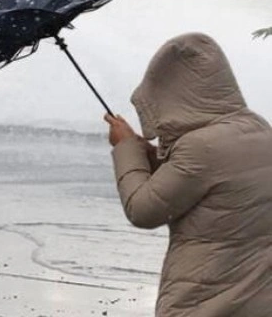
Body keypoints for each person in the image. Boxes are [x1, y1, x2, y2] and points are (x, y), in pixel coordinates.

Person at [104, 32, 272, 316]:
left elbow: (143, 210)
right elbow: (207, 188)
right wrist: (144, 150)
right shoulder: (258, 128)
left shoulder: (200, 147)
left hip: (204, 299)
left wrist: (126, 149)